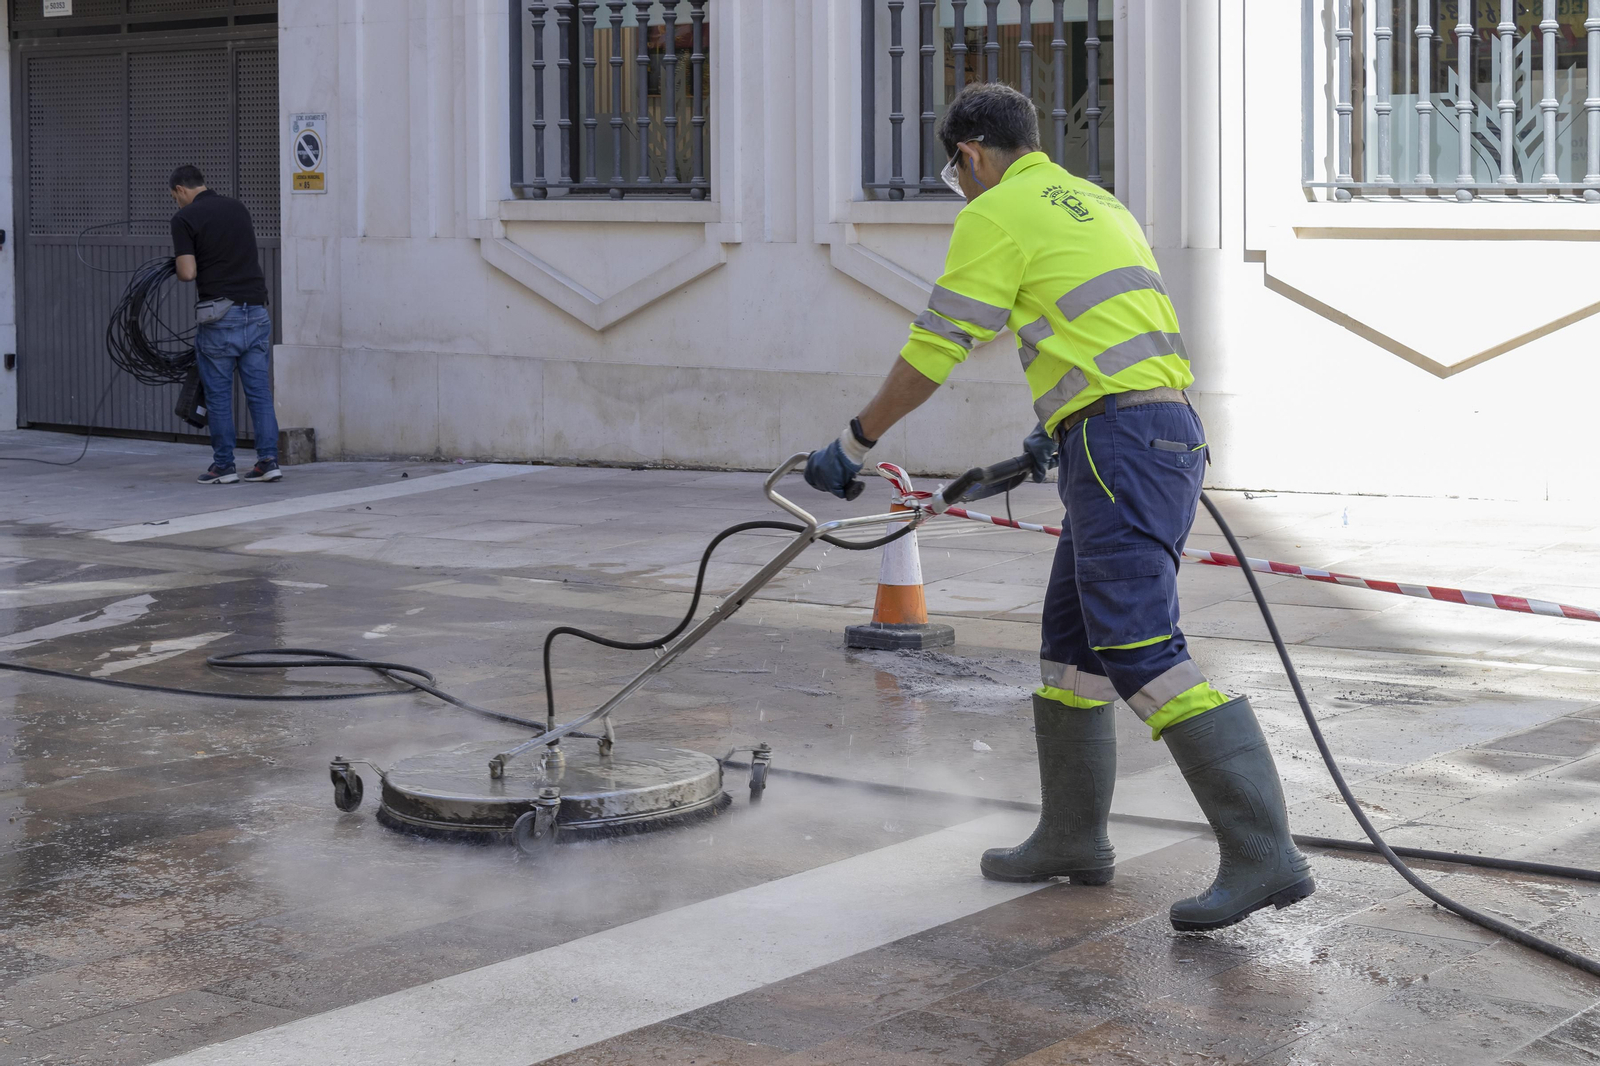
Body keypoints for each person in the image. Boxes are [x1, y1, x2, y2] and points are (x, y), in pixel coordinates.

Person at [803, 84, 1313, 931]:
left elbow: (937, 349)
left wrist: (855, 441)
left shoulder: (996, 211)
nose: (957, 184)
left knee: (1142, 648)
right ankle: (1073, 836)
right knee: (1072, 648)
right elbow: (1107, 328)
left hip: (1119, 444)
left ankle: (1264, 853)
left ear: (969, 154)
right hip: (1148, 430)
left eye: (953, 169)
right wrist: (1057, 431)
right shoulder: (1093, 201)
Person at [169, 164, 281, 484]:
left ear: (180, 190)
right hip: (256, 311)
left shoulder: (184, 218)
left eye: (175, 197)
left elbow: (188, 273)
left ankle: (224, 466)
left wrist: (178, 262)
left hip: (220, 316)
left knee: (218, 396)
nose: (177, 203)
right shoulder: (237, 207)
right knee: (259, 393)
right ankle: (268, 461)